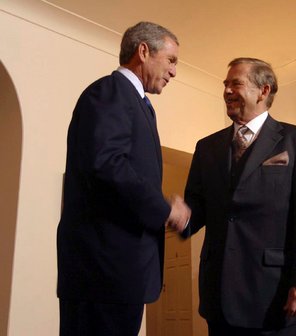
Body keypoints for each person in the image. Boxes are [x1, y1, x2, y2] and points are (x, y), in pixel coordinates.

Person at [57, 21, 190, 336]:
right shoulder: (110, 91)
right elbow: (107, 164)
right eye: (171, 60)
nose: (174, 72)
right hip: (102, 274)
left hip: (119, 274)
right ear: (143, 51)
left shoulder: (140, 104)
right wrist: (165, 209)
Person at [182, 57, 296, 336]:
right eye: (225, 84)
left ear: (264, 90)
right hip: (218, 296)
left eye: (236, 83)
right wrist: (172, 212)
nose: (226, 91)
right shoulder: (206, 147)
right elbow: (195, 209)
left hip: (274, 294)